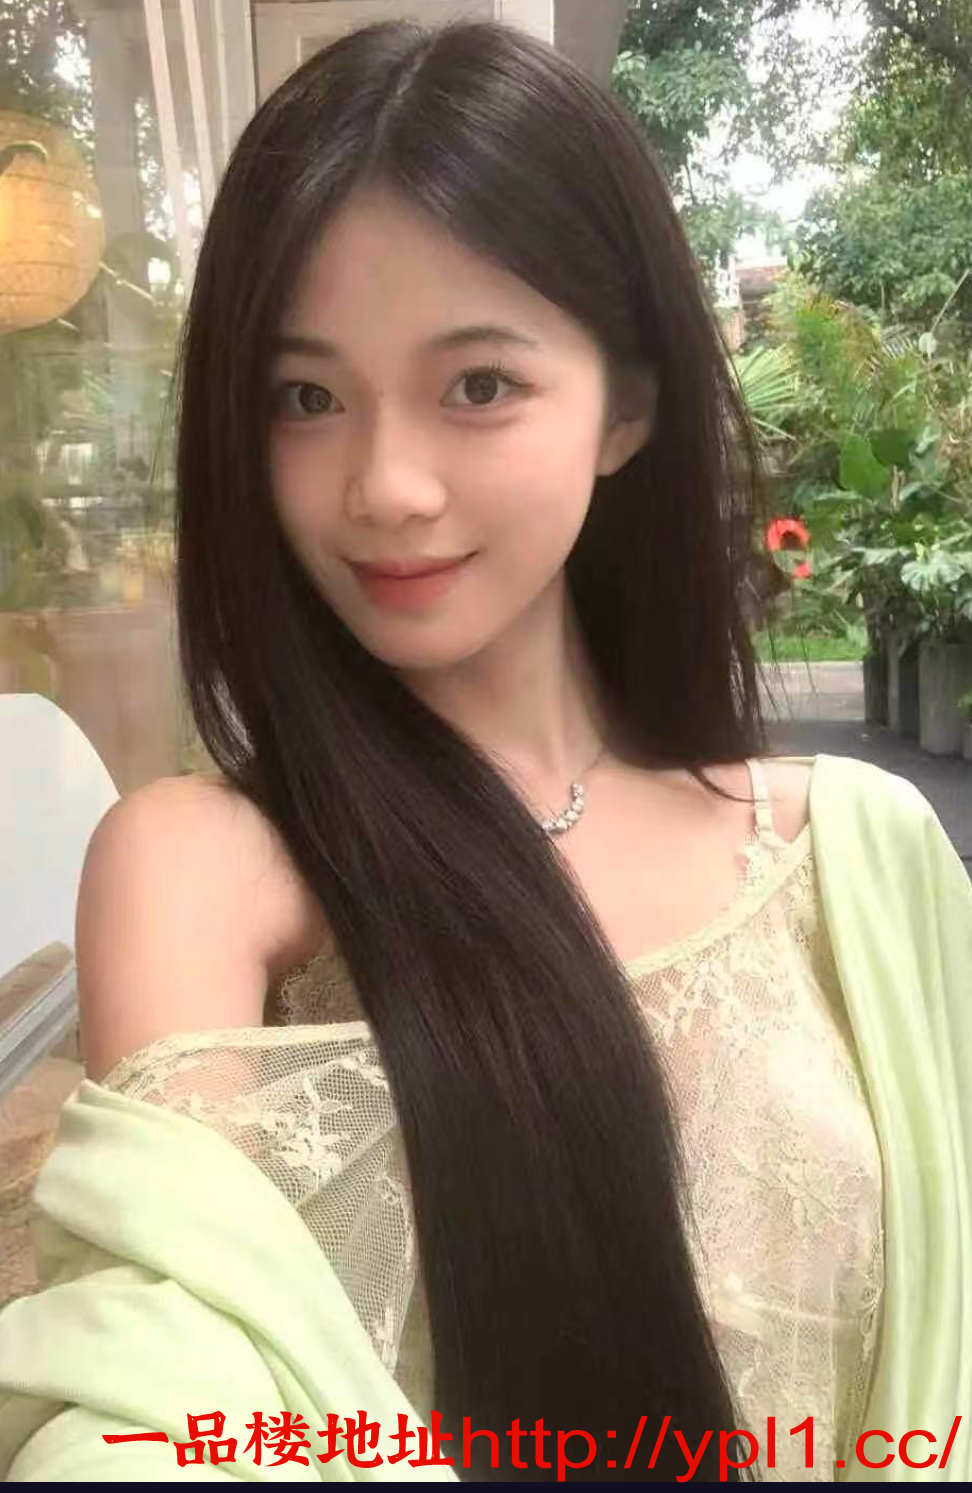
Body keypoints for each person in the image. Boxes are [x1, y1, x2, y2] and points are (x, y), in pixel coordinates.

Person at [1, 18, 970, 1486]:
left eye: (479, 386)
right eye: (307, 398)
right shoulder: (210, 868)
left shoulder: (859, 857)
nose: (386, 487)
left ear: (625, 405)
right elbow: (155, 1385)